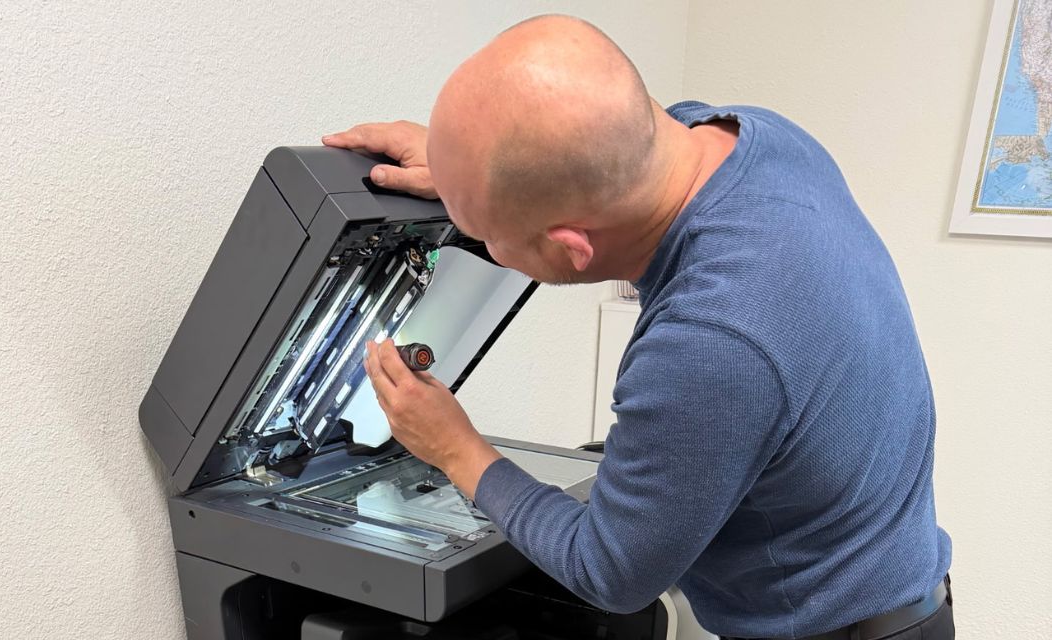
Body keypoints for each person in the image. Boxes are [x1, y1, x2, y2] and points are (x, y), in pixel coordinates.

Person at [323, 15, 953, 640]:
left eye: (484, 235)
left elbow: (610, 574)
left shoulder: (710, 341)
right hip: (891, 586)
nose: (484, 245)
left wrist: (456, 449)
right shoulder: (755, 137)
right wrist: (471, 173)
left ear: (571, 247)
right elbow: (597, 131)